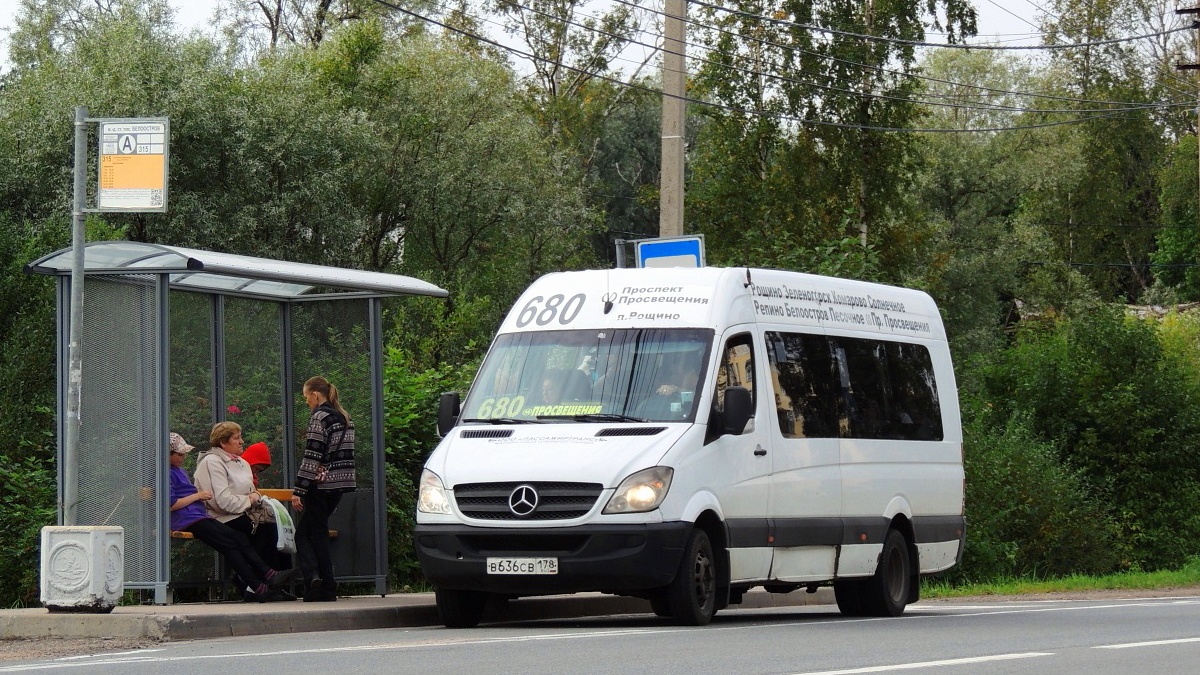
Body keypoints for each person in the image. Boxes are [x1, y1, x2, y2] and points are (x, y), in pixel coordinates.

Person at [168, 432, 296, 602]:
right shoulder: (167, 473)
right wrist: (197, 496)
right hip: (188, 519)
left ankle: (262, 582)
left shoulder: (178, 470)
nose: (183, 457)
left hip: (197, 516)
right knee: (235, 540)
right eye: (179, 454)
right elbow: (170, 504)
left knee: (236, 541)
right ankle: (264, 579)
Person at [292, 376, 356, 602]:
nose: (306, 402)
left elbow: (313, 455)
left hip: (319, 486)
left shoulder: (320, 417)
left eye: (306, 397)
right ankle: (322, 584)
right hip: (340, 485)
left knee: (305, 535)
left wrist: (299, 489)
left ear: (315, 395)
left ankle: (319, 582)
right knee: (313, 533)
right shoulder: (345, 418)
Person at [194, 421, 288, 573]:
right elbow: (222, 502)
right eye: (236, 438)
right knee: (259, 529)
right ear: (223, 443)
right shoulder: (211, 462)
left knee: (274, 526)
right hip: (221, 517)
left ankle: (276, 581)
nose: (241, 441)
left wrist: (254, 497)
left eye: (240, 437)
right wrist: (249, 500)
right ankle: (257, 584)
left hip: (242, 512)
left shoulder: (242, 462)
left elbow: (253, 492)